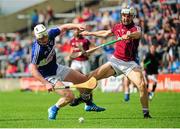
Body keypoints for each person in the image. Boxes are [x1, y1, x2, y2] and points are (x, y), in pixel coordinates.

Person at [80, 6, 152, 118]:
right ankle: (87, 100)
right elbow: (105, 33)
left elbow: (138, 34)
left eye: (128, 16)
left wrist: (129, 35)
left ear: (132, 17)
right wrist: (90, 33)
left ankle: (146, 113)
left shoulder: (135, 28)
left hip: (130, 64)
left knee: (142, 85)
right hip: (115, 61)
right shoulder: (117, 27)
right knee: (91, 77)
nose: (126, 18)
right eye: (124, 15)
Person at [29, 24, 105, 120]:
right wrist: (46, 83)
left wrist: (76, 26)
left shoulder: (51, 34)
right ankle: (54, 108)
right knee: (70, 97)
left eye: (45, 36)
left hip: (57, 68)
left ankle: (88, 104)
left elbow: (64, 27)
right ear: (38, 38)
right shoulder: (37, 50)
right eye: (42, 38)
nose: (45, 39)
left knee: (84, 81)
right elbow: (32, 69)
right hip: (48, 76)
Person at [69, 28, 93, 107]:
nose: (74, 31)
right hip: (75, 62)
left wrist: (82, 50)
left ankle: (89, 100)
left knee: (87, 81)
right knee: (73, 78)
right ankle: (78, 96)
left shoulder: (85, 41)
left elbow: (89, 53)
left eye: (76, 30)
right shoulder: (71, 41)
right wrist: (71, 56)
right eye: (74, 30)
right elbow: (71, 53)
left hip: (84, 62)